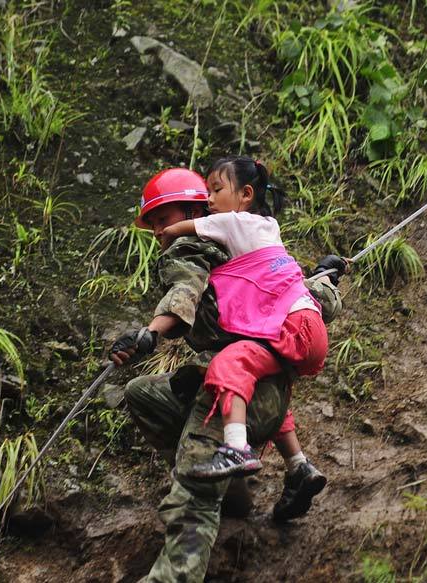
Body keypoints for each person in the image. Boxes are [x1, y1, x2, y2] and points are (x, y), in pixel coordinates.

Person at [109, 168, 347, 581]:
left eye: (163, 219)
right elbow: (294, 298)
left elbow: (184, 293)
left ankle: (177, 564)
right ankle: (233, 493)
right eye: (154, 225)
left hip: (239, 389)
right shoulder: (245, 245)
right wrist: (326, 281)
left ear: (192, 210)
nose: (159, 232)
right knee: (143, 393)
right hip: (264, 391)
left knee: (194, 478)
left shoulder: (191, 247)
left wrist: (150, 333)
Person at [159, 157, 328, 485]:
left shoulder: (235, 222)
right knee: (255, 383)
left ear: (246, 194)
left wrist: (168, 237)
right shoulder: (269, 227)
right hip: (309, 325)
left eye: (216, 190)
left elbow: (180, 229)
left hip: (291, 326)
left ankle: (237, 448)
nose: (209, 201)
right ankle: (299, 465)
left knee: (228, 366)